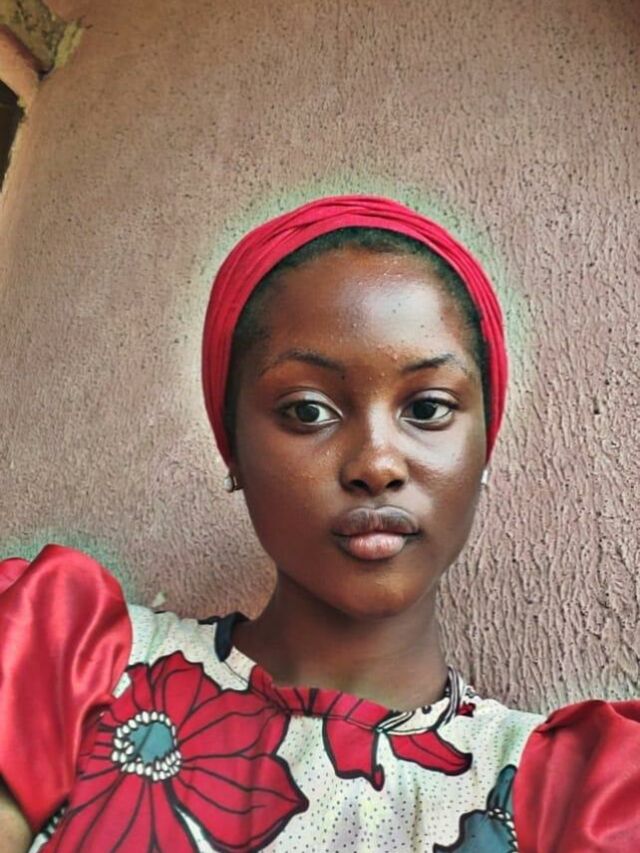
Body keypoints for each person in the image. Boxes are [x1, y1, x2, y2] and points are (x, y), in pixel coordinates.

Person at [0, 195, 638, 852]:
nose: (376, 464)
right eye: (307, 410)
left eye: (427, 408)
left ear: (483, 449)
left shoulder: (580, 796)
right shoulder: (62, 660)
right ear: (233, 450)